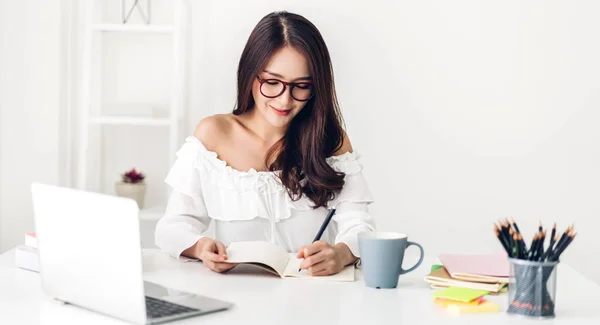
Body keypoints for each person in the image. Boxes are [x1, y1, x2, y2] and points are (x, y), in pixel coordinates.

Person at [155, 11, 375, 276]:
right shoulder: (214, 134)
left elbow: (360, 226)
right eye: (272, 82)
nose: (285, 101)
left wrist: (340, 254)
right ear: (250, 75)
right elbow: (173, 227)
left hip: (313, 296)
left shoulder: (330, 140)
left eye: (301, 86)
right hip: (238, 296)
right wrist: (200, 247)